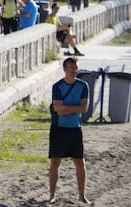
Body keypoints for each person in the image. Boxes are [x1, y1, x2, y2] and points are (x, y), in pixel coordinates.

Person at [48, 56, 90, 205]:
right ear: (65, 69)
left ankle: (82, 195)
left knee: (80, 162)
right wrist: (74, 108)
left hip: (75, 129)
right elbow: (57, 109)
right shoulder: (58, 86)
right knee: (55, 162)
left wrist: (65, 109)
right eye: (71, 67)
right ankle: (52, 195)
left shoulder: (83, 86)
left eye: (76, 67)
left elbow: (84, 109)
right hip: (58, 128)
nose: (74, 70)